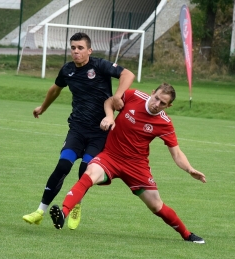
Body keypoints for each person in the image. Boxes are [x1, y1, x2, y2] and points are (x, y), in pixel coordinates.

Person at [49, 83, 207, 243]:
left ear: (169, 106)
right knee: (89, 174)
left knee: (156, 206)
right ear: (152, 93)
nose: (156, 104)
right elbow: (110, 101)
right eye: (156, 98)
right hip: (110, 157)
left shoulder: (164, 123)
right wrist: (110, 116)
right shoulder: (133, 96)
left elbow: (177, 153)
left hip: (136, 166)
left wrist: (190, 169)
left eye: (162, 103)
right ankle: (63, 213)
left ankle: (187, 234)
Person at [23, 32, 135, 230]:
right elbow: (55, 90)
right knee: (63, 166)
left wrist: (118, 95)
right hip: (77, 129)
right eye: (73, 48)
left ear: (89, 50)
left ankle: (76, 206)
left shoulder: (100, 66)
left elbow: (128, 74)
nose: (76, 51)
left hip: (99, 132)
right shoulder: (67, 70)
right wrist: (42, 108)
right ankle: (40, 211)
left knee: (85, 170)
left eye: (80, 48)